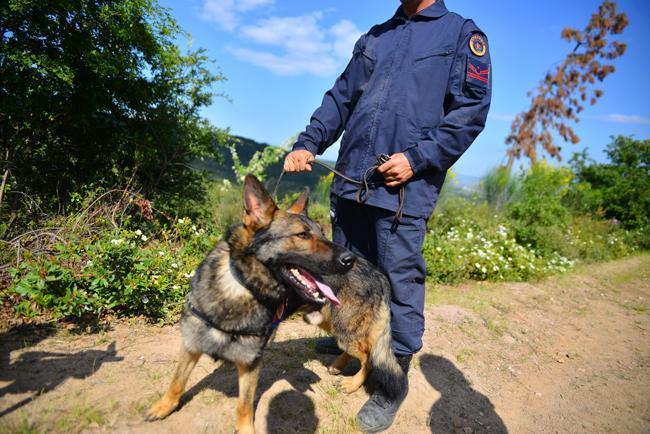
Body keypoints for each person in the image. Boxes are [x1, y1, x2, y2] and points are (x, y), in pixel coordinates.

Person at [284, 0, 491, 431]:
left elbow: (470, 113)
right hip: (351, 181)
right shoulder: (377, 35)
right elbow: (341, 98)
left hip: (403, 191)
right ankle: (352, 342)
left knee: (398, 283)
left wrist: (418, 158)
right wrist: (309, 142)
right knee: (348, 275)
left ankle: (392, 383)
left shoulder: (460, 35)